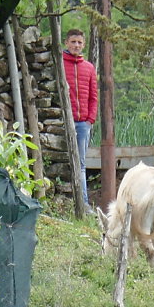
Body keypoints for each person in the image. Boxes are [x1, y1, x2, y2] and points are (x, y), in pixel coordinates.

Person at [62, 29, 97, 207]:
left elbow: (93, 96)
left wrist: (90, 120)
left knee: (81, 164)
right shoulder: (60, 63)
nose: (76, 45)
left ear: (83, 44)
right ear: (66, 43)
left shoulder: (89, 67)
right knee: (62, 160)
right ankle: (65, 201)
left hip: (82, 123)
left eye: (79, 42)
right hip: (63, 121)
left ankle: (83, 204)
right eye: (73, 42)